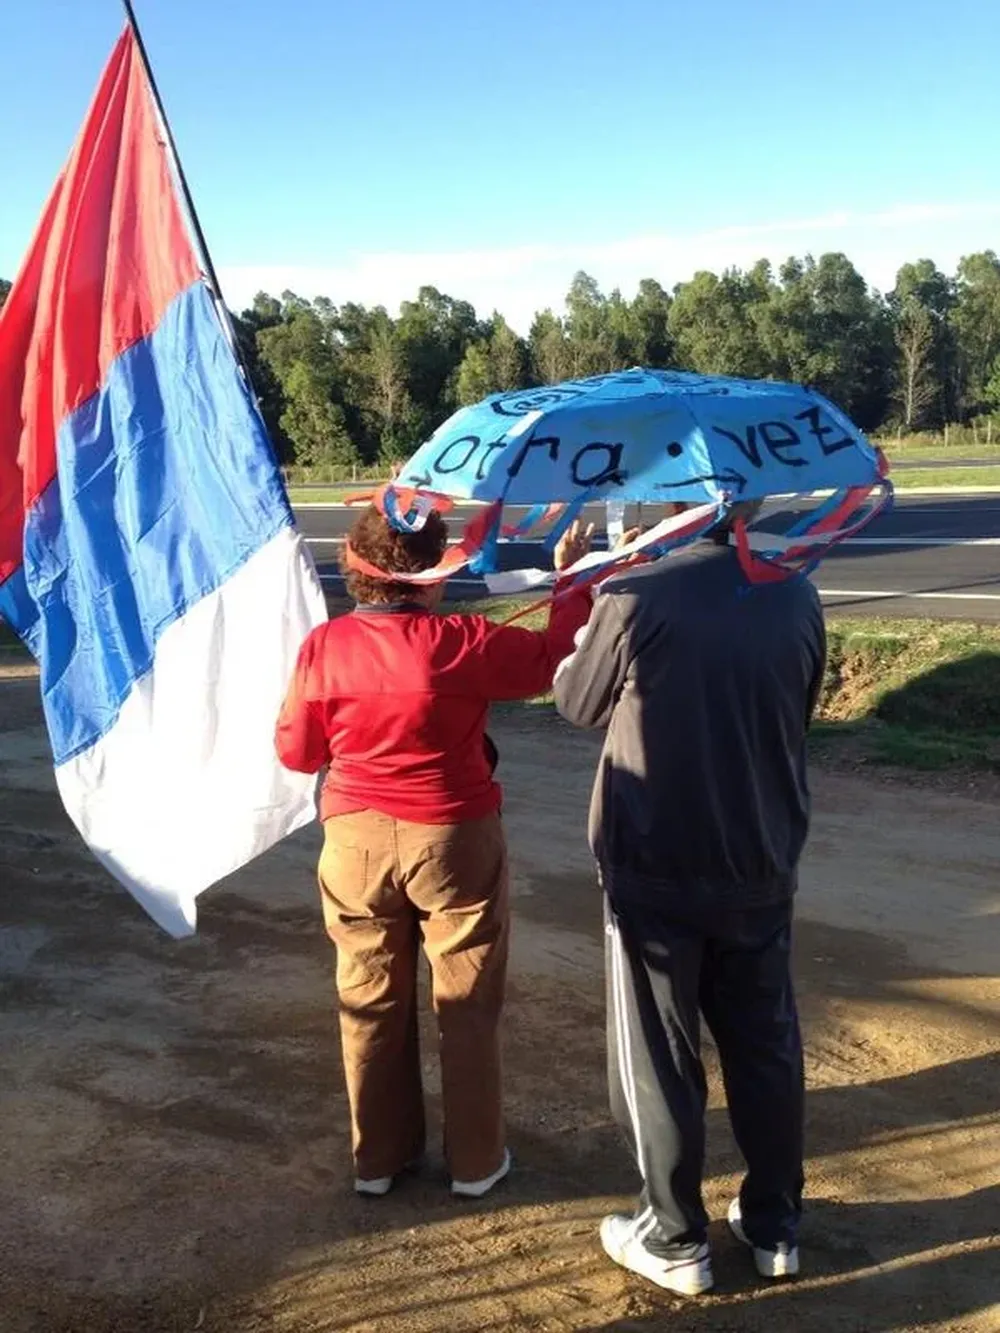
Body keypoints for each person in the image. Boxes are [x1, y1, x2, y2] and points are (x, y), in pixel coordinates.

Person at [275, 502, 594, 1198]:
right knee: (468, 1002)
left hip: (355, 840)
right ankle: (476, 1162)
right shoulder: (461, 640)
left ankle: (378, 1159)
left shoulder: (324, 647)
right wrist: (573, 580)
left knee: (367, 999)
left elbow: (296, 752)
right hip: (453, 837)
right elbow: (551, 659)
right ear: (430, 573)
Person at [553, 501, 826, 1296]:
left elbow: (575, 702)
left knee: (658, 1049)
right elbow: (798, 707)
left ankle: (673, 1231)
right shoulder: (795, 590)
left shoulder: (638, 592)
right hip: (762, 851)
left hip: (657, 860)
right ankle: (776, 1222)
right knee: (765, 1040)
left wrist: (594, 591)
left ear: (672, 508)